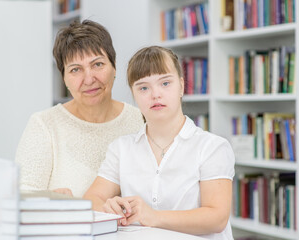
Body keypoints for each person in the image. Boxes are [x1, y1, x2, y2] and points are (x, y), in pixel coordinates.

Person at [84, 46, 235, 240]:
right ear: (134, 95)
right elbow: (91, 199)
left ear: (181, 86)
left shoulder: (212, 147)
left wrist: (153, 216)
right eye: (143, 87)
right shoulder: (121, 149)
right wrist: (107, 207)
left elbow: (217, 218)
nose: (155, 94)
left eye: (165, 83)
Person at [15, 20, 144, 197]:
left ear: (114, 67)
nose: (89, 79)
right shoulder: (44, 125)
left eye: (97, 64)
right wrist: (49, 198)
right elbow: (22, 194)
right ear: (64, 79)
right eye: (76, 70)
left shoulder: (141, 121)